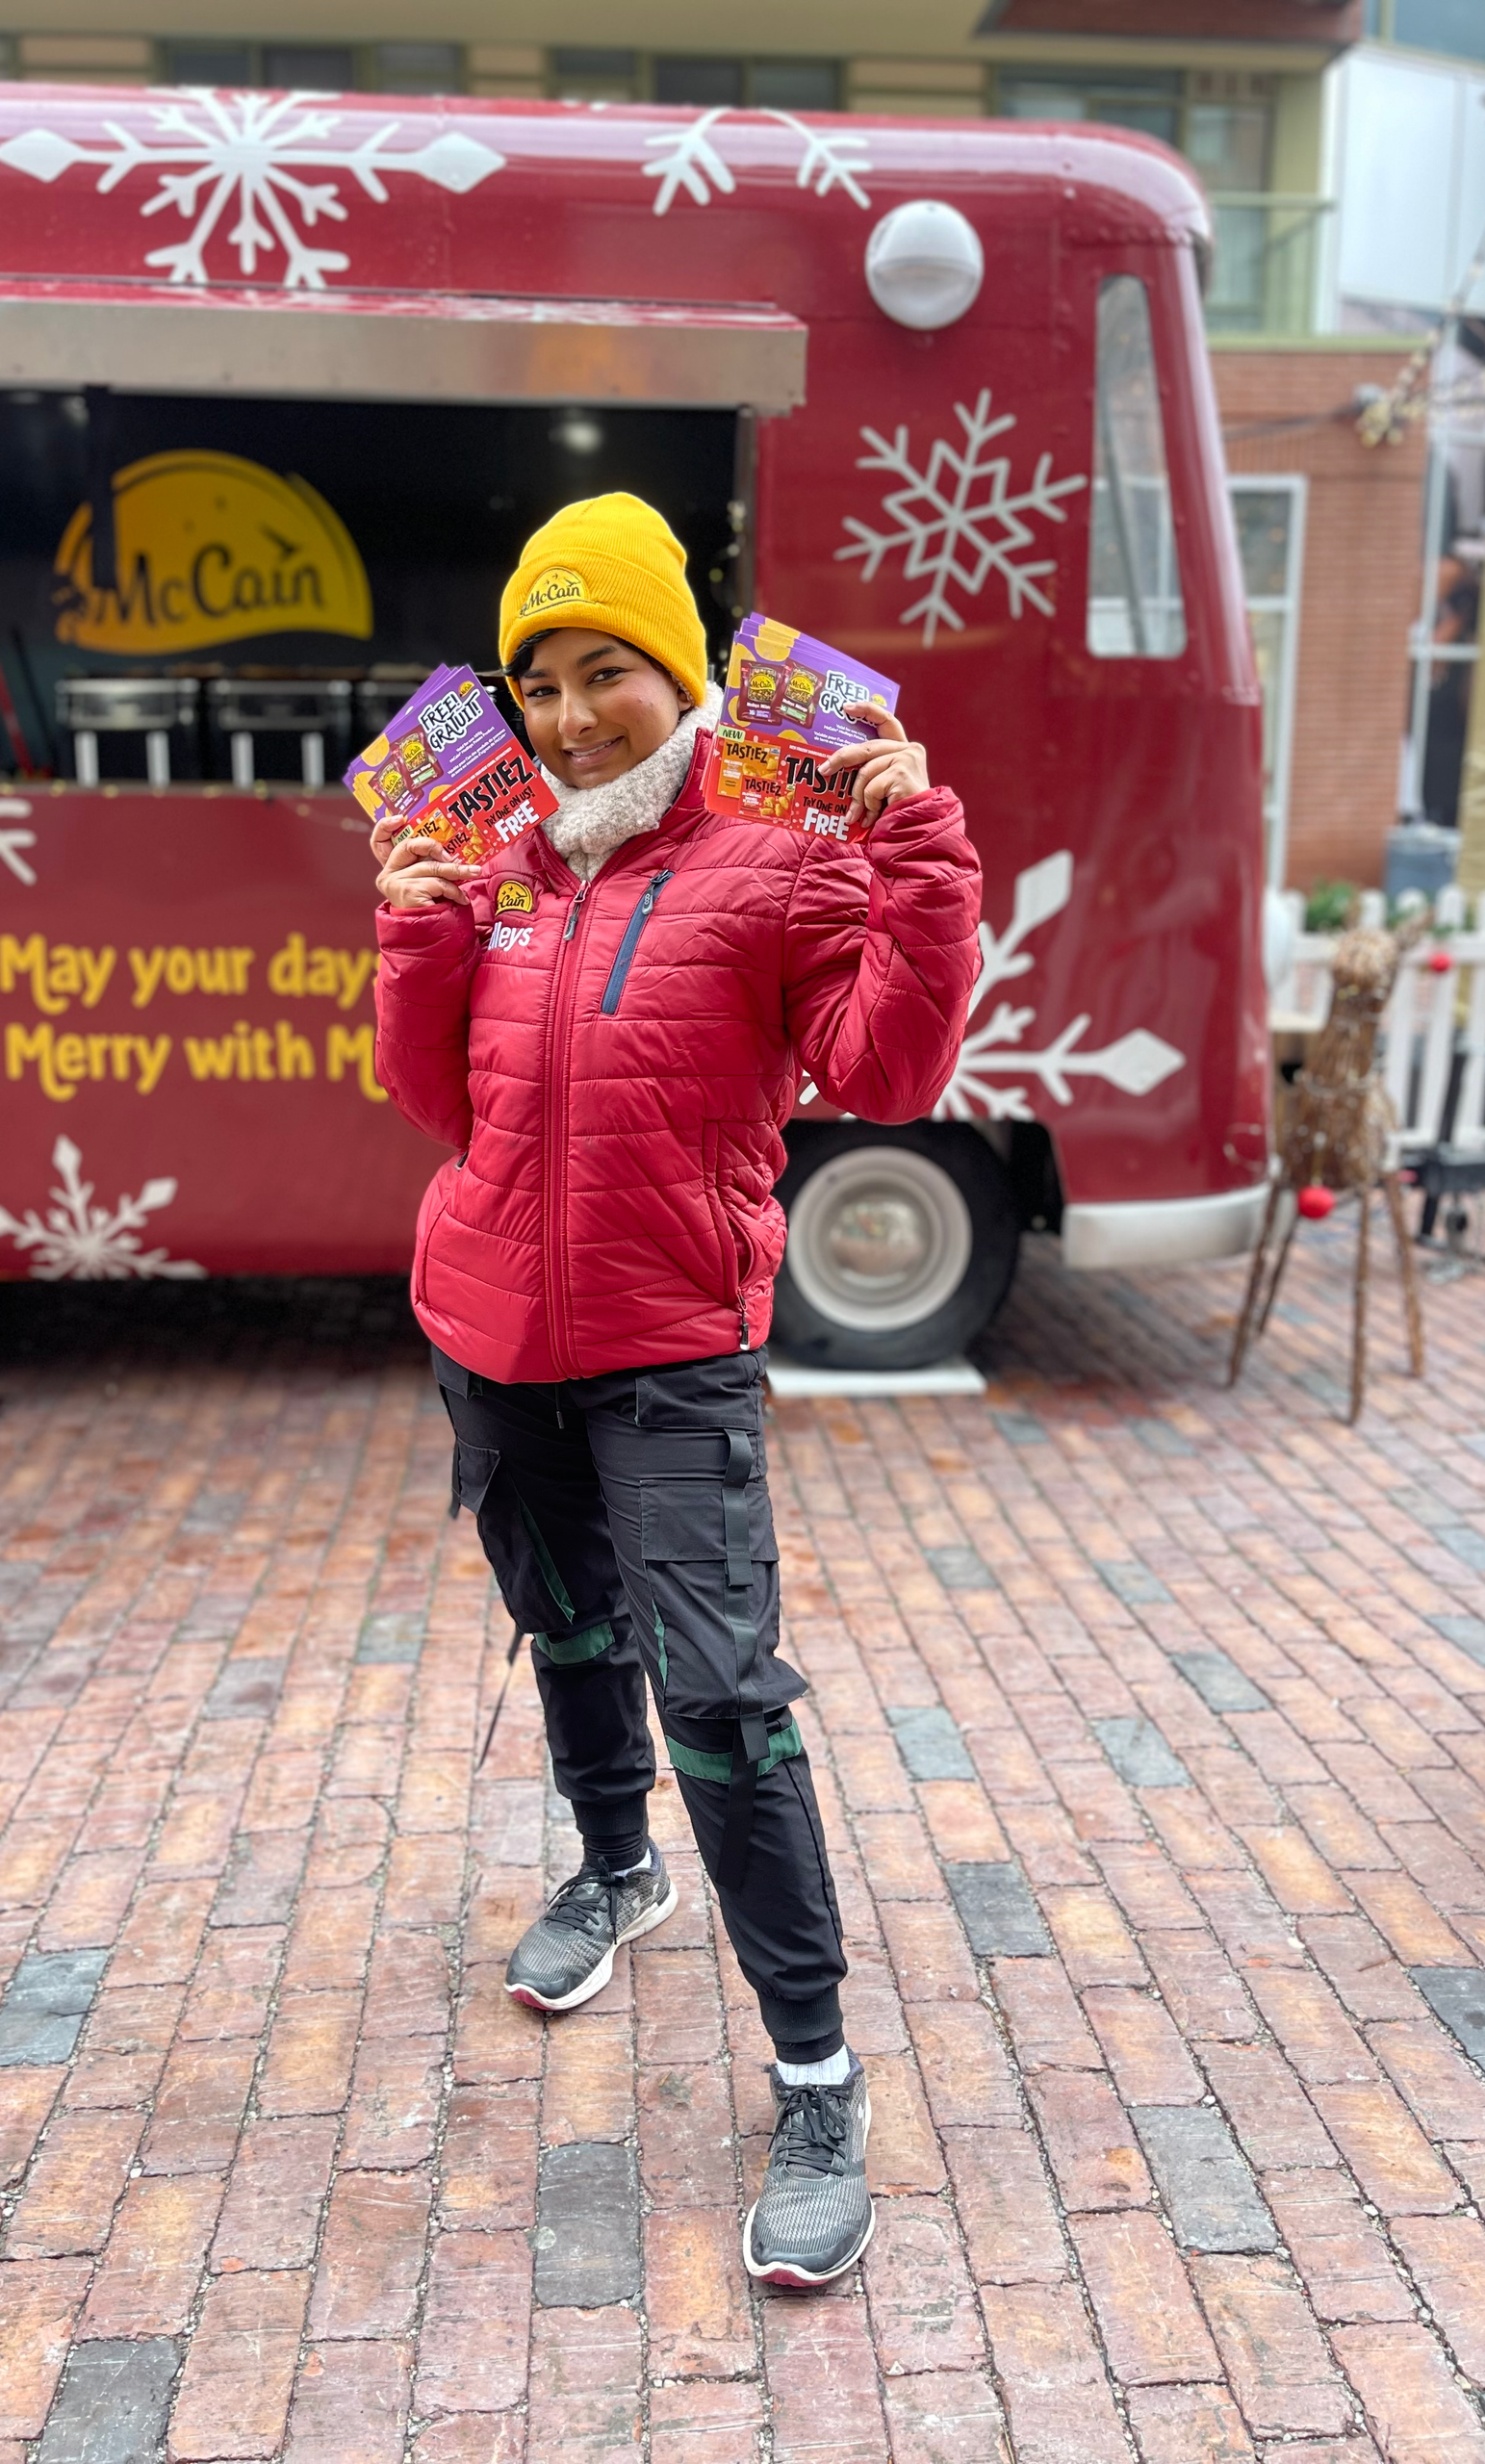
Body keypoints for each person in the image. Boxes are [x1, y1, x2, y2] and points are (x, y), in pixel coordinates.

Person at [371, 493, 980, 2287]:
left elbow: (888, 1065)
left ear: (682, 672)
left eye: (608, 671)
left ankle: (818, 2074)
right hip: (488, 1330)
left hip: (670, 1355)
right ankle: (613, 1868)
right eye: (538, 680)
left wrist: (923, 857)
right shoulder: (493, 862)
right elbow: (441, 1109)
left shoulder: (780, 857)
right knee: (566, 1624)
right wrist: (416, 935)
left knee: (720, 1691)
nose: (568, 715)